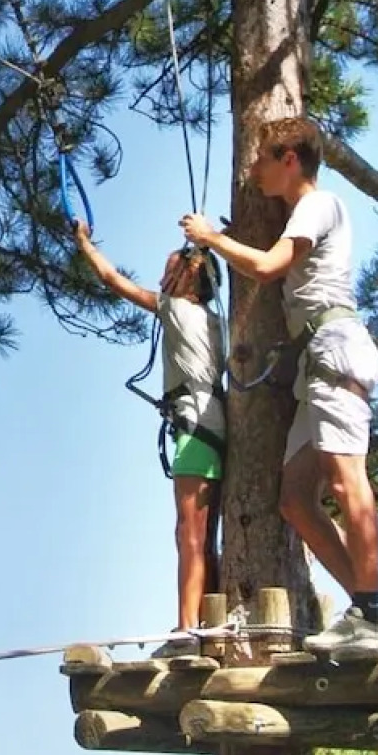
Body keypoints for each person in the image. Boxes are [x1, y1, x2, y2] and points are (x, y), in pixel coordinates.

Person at [179, 116, 378, 652]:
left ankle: (368, 613)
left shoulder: (318, 205)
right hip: (316, 363)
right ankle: (373, 611)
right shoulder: (304, 210)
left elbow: (271, 266)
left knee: (348, 482)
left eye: (260, 160)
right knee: (295, 499)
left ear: (290, 161)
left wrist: (212, 238)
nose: (252, 171)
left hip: (334, 349)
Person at [73, 221, 226, 660]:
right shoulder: (216, 323)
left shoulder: (176, 310)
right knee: (202, 532)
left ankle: (187, 628)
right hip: (212, 422)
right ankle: (205, 622)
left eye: (169, 270)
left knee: (188, 532)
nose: (161, 280)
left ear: (191, 279)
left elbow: (112, 280)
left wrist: (84, 242)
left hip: (195, 427)